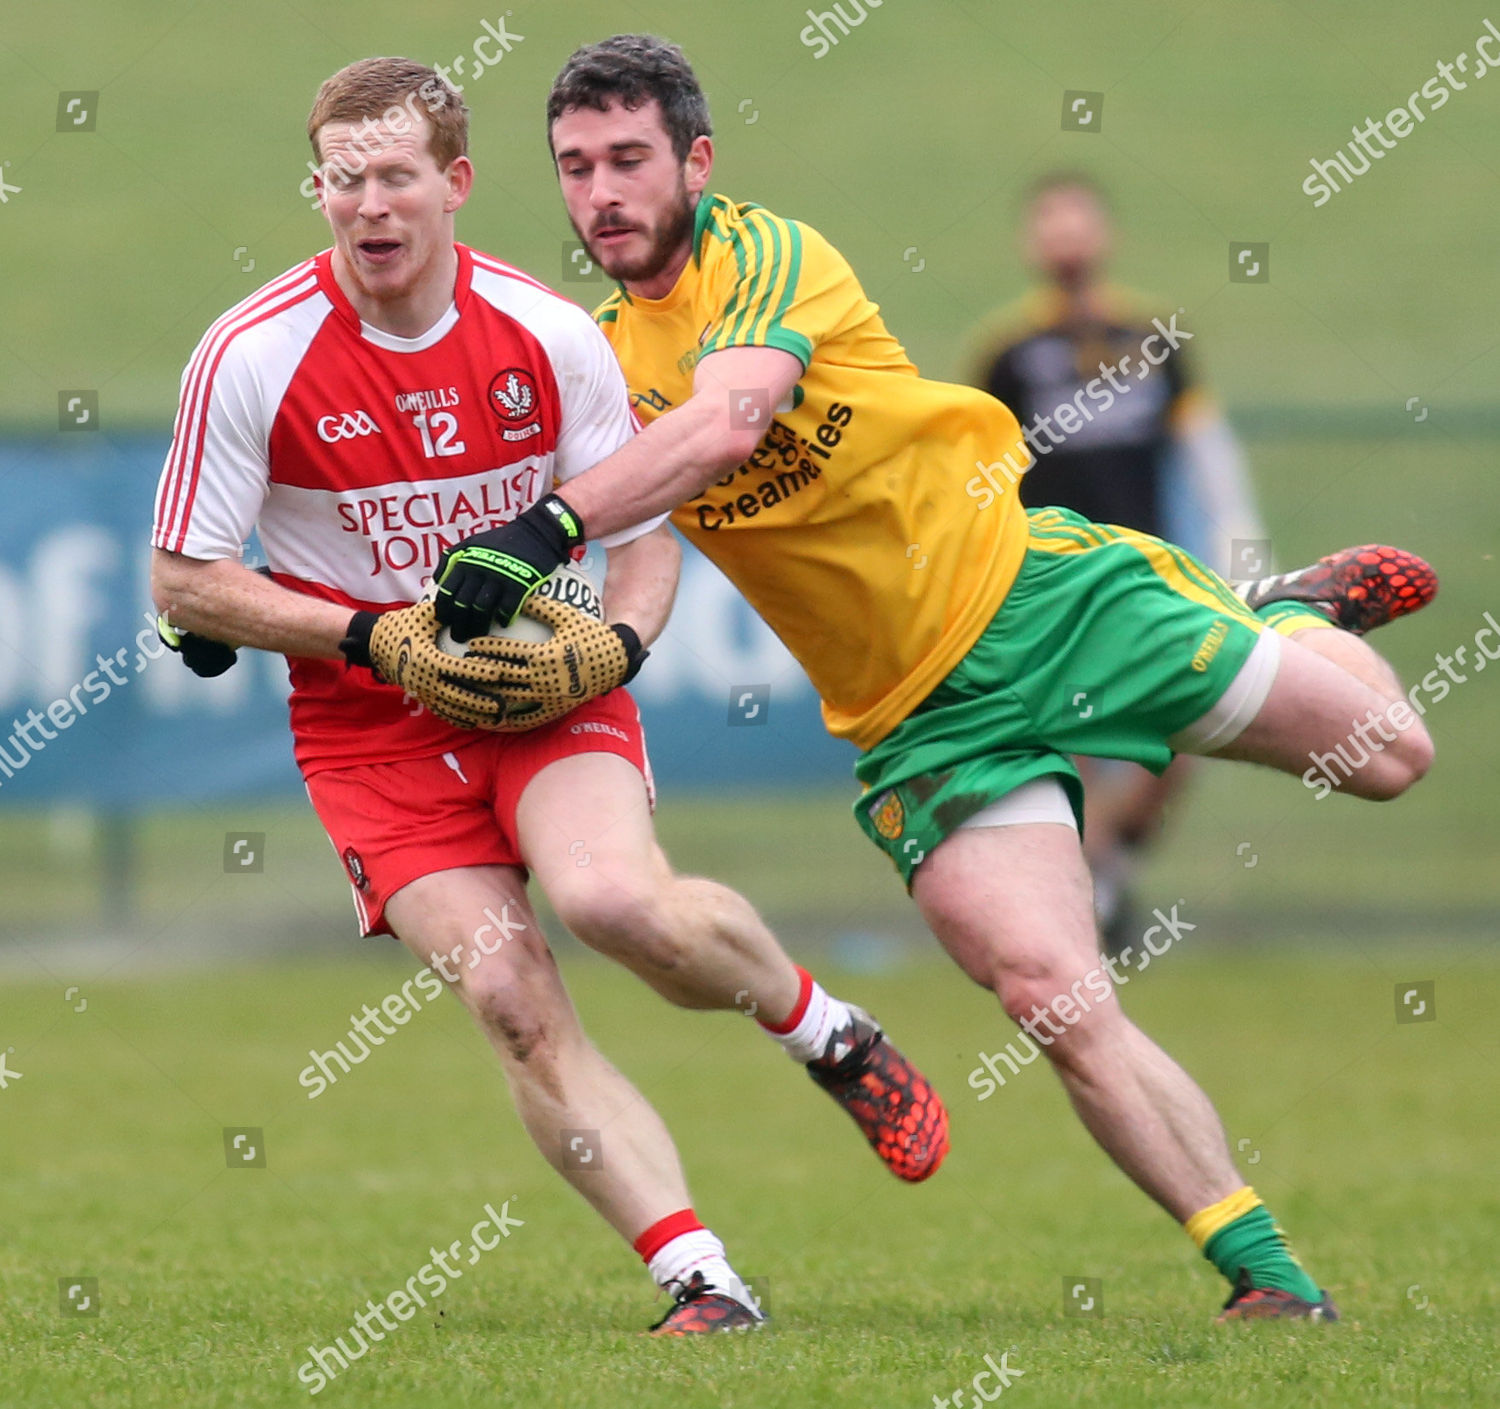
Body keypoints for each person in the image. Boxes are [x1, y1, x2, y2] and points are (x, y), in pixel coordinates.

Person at [430, 33, 1439, 1323]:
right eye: (574, 168)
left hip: (1046, 598)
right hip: (922, 722)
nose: (600, 193)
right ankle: (1271, 1283)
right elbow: (648, 517)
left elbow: (728, 425)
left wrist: (542, 530)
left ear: (696, 159)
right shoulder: (596, 355)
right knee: (1052, 997)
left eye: (628, 158)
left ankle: (1281, 613)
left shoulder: (768, 255)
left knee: (1392, 762)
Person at [148, 56, 948, 1339]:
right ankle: (702, 1277)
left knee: (610, 898)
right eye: (343, 180)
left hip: (542, 677)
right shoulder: (250, 353)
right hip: (368, 723)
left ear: (455, 184)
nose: (370, 206)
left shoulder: (549, 332)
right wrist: (371, 636)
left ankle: (826, 1028)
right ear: (319, 190)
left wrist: (617, 648)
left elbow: (643, 532)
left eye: (397, 176)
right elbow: (184, 581)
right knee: (509, 994)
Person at [962, 172, 1269, 949]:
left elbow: (1203, 447)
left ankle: (1103, 868)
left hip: (1148, 575)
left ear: (1105, 234)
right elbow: (972, 461)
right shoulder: (1009, 348)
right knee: (1068, 747)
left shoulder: (1152, 334)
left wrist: (1239, 531)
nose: (1064, 236)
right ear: (1030, 242)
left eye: (1077, 220)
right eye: (1049, 222)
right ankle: (1086, 895)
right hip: (1049, 580)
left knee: (1182, 737)